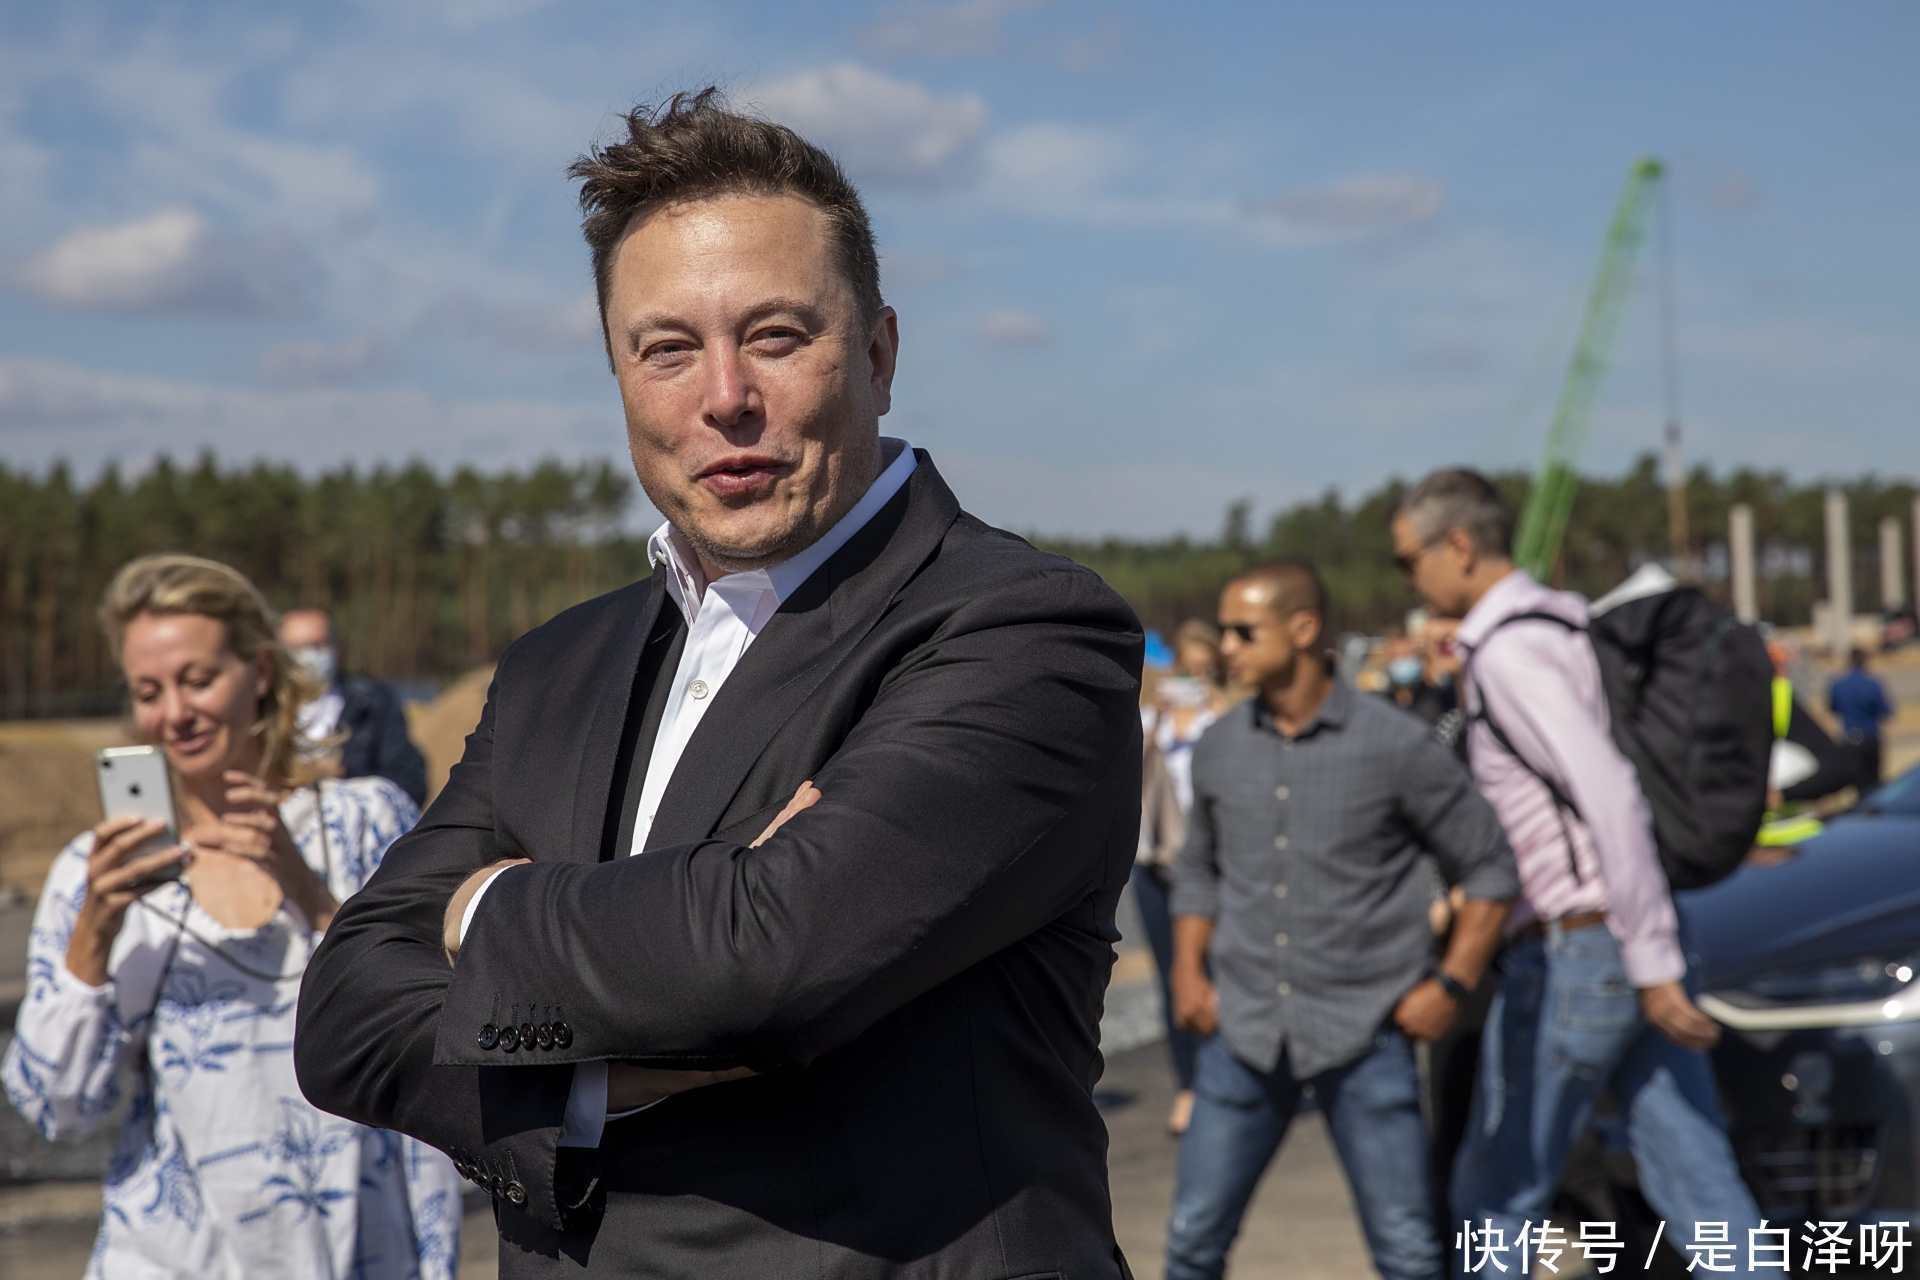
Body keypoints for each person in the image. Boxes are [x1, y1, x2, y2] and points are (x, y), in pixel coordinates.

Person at [292, 89, 1143, 1279]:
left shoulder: (1021, 631)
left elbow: (765, 960)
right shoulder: (556, 666)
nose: (725, 396)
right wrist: (596, 1067)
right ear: (619, 374)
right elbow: (342, 1008)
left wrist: (482, 914)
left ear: (880, 354)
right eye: (668, 348)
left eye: (777, 336)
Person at [0, 554, 458, 1279]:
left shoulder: (361, 822)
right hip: (173, 1259)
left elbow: (439, 1026)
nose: (174, 714)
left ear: (262, 672)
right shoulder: (94, 872)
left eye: (197, 679)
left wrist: (309, 892)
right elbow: (56, 1109)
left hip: (358, 1248)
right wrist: (94, 934)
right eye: (148, 692)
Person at [1391, 468, 1764, 1275]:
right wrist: (1653, 953)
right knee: (1701, 1187)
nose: (1409, 581)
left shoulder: (1510, 652)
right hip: (1624, 942)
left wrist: (1653, 963)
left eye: (1409, 560)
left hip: (1579, 950)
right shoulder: (1562, 625)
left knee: (1496, 1198)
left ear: (1459, 545)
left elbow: (1609, 794)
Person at [1163, 562, 1518, 1280]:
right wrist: (1187, 972)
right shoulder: (1221, 746)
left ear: (1303, 629)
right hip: (1244, 1029)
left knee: (1408, 1252)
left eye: (1243, 632)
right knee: (1192, 1244)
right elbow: (1198, 869)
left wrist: (1451, 985)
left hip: (1367, 1032)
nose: (1225, 647)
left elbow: (1490, 866)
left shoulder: (1395, 744)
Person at [1138, 619, 1235, 1136]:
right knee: (1173, 973)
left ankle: (1229, 1077)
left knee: (1220, 969)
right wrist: (1158, 709)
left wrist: (1216, 705)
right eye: (1185, 671)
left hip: (1215, 863)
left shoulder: (1226, 718)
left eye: (1203, 672)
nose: (1192, 682)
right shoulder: (1151, 718)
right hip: (1157, 860)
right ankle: (1189, 1085)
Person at [277, 607, 428, 806]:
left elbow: (409, 781)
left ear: (336, 647)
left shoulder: (372, 703)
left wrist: (345, 776)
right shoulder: (261, 707)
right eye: (297, 649)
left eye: (317, 646)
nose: (308, 656)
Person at [1828, 646, 1894, 790]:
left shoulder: (1838, 684)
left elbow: (1833, 708)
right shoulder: (1873, 684)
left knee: (1856, 783)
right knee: (1874, 785)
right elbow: (1886, 711)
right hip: (1870, 737)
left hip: (1849, 737)